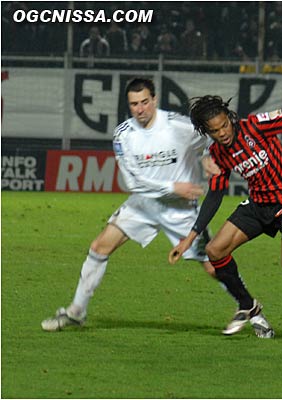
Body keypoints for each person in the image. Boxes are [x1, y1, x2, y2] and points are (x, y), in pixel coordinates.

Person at [41, 78, 234, 332]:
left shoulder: (177, 124)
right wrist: (173, 187)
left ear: (154, 100)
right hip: (143, 204)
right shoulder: (123, 135)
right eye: (134, 104)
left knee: (211, 264)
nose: (140, 108)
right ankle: (77, 311)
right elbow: (133, 182)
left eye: (144, 102)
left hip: (180, 208)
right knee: (100, 246)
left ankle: (249, 308)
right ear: (129, 105)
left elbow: (209, 136)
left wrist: (208, 156)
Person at [168, 96, 282, 347]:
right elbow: (215, 195)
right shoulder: (217, 154)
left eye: (224, 125)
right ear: (207, 132)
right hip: (259, 205)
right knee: (215, 250)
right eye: (214, 131)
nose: (222, 133)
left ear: (230, 118)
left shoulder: (256, 125)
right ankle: (248, 306)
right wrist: (189, 239)